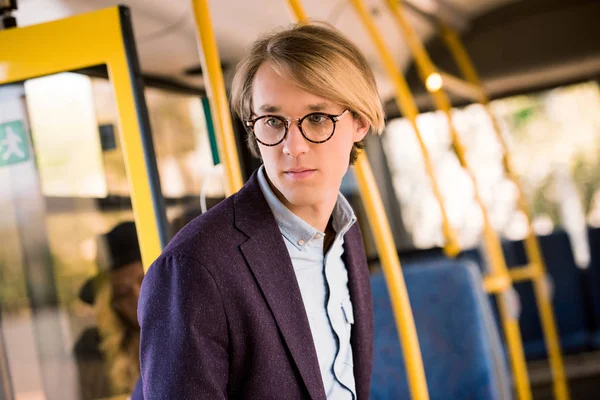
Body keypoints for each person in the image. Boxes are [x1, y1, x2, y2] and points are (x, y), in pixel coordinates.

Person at [137, 22, 385, 399]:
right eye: (273, 121)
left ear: (360, 123)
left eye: (317, 118)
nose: (293, 146)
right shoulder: (195, 266)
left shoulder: (345, 233)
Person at [74, 221, 144, 399]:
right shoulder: (93, 350)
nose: (138, 296)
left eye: (145, 282)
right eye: (123, 292)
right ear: (112, 304)